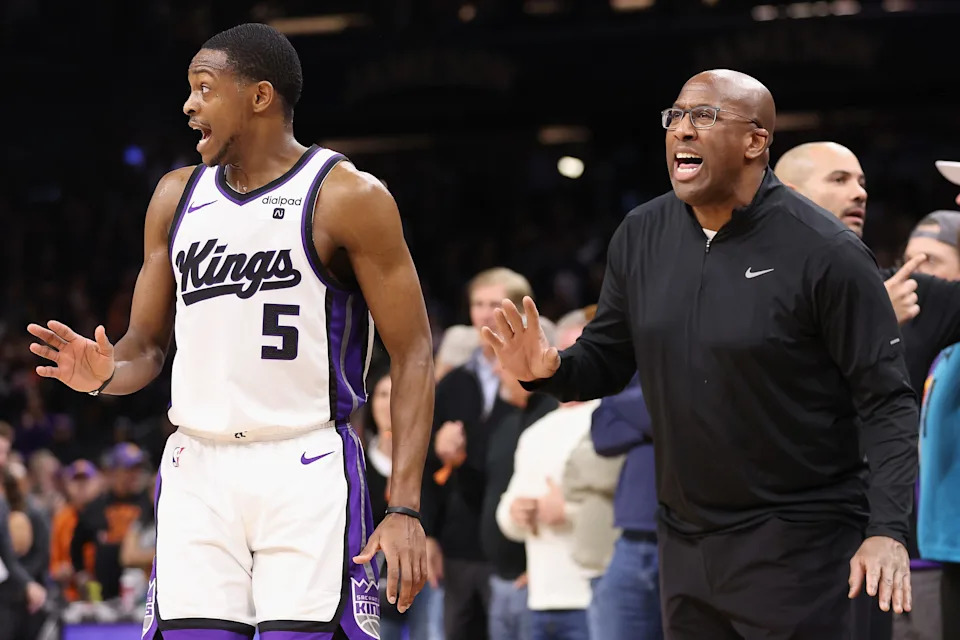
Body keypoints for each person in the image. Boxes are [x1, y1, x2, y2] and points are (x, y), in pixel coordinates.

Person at [26, 22, 434, 640]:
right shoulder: (174, 197)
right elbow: (146, 346)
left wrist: (403, 505)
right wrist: (105, 374)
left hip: (305, 461)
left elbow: (414, 354)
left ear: (260, 96)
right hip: (198, 466)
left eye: (204, 88)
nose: (189, 106)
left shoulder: (347, 196)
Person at [483, 69, 918, 639]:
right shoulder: (641, 233)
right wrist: (552, 370)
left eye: (705, 117)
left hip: (803, 542)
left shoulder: (828, 252)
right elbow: (609, 357)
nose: (682, 131)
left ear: (755, 142)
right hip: (685, 544)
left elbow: (886, 400)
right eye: (676, 117)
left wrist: (887, 529)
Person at [774, 143, 960, 393]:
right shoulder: (744, 284)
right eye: (839, 180)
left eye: (861, 182)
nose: (860, 193)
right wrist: (873, 324)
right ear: (790, 195)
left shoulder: (904, 290)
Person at [423, 267, 533, 640]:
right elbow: (427, 463)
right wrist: (428, 533)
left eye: (494, 304)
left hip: (515, 553)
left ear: (520, 310)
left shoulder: (541, 378)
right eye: (477, 304)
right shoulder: (453, 382)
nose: (485, 314)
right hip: (457, 547)